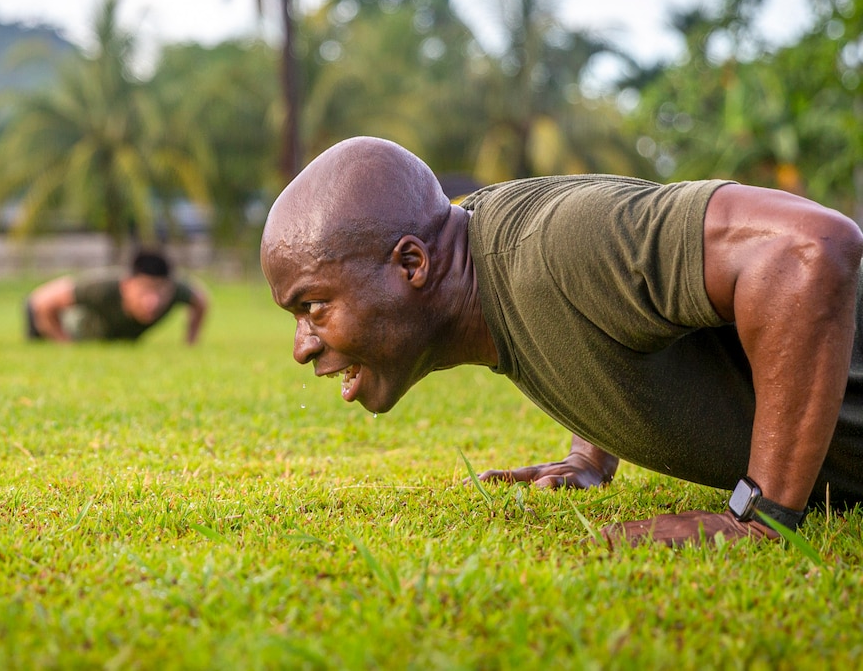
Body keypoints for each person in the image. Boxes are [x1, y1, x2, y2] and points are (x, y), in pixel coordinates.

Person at [259, 135, 863, 547]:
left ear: (412, 264)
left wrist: (759, 517)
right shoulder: (487, 263)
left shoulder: (552, 243)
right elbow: (606, 307)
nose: (301, 347)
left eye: (313, 307)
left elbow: (810, 248)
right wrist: (591, 453)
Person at [25, 248, 207, 344]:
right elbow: (41, 302)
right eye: (144, 291)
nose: (153, 301)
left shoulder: (176, 289)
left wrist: (190, 341)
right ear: (127, 285)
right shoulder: (102, 287)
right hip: (56, 325)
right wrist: (66, 344)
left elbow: (201, 300)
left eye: (160, 291)